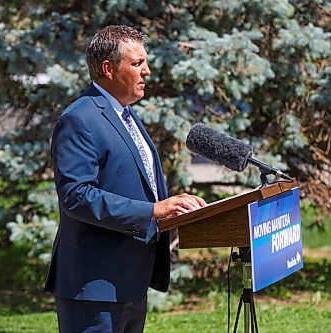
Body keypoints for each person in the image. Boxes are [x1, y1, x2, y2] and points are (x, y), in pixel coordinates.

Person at [44, 25, 206, 333]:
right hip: (94, 286)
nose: (147, 71)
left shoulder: (126, 115)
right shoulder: (80, 119)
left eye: (145, 63)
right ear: (108, 68)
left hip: (131, 280)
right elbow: (77, 197)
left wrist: (173, 207)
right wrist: (154, 211)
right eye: (137, 63)